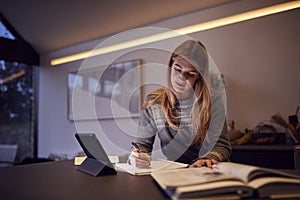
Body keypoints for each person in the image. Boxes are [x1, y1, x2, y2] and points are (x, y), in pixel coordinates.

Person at [129, 40, 231, 169]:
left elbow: (221, 145)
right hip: (174, 171)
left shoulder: (213, 100)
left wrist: (207, 160)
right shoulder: (154, 102)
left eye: (190, 73)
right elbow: (142, 146)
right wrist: (137, 157)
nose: (181, 78)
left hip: (206, 170)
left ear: (199, 76)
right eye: (177, 69)